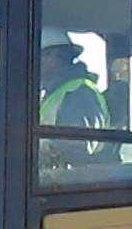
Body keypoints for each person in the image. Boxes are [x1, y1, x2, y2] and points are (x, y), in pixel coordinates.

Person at [38, 26, 114, 169]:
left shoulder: (77, 92)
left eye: (37, 57)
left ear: (54, 56)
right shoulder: (56, 93)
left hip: (67, 184)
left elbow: (76, 147)